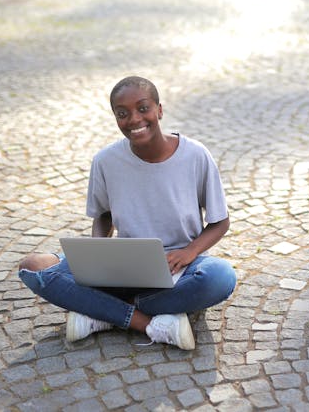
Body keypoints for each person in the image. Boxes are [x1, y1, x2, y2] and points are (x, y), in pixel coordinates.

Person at [18, 76, 237, 350]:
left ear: (159, 110)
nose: (134, 119)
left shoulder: (195, 155)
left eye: (143, 108)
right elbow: (103, 214)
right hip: (122, 268)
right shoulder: (106, 161)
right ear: (115, 118)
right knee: (33, 266)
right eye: (123, 114)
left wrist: (190, 252)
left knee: (221, 277)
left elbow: (220, 222)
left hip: (180, 267)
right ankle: (148, 323)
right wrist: (98, 250)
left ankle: (102, 313)